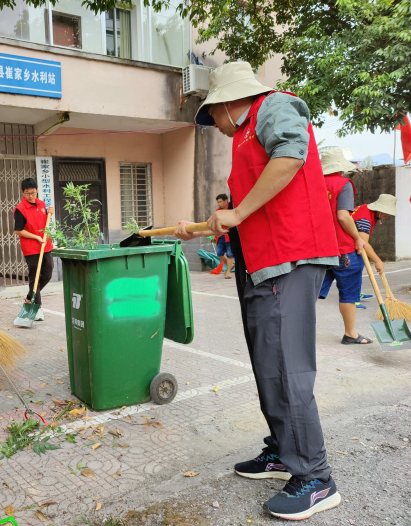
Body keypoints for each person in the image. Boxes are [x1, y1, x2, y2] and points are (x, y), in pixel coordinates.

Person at [173, 62, 342, 520]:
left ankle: (315, 477)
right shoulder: (245, 133)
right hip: (262, 263)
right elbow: (248, 207)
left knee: (287, 369)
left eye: (215, 118)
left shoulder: (274, 108)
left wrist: (239, 211)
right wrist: (214, 223)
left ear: (228, 102)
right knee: (268, 364)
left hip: (291, 255)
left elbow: (291, 155)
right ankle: (282, 452)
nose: (218, 128)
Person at [318, 149, 370, 344]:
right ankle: (351, 333)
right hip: (343, 248)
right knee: (349, 293)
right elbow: (343, 216)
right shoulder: (343, 184)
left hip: (319, 248)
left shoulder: (313, 185)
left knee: (310, 291)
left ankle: (292, 329)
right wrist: (357, 238)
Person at [13, 178, 54, 321]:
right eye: (28, 193)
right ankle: (37, 308)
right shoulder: (20, 210)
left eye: (33, 193)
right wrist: (36, 237)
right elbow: (18, 231)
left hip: (45, 245)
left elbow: (43, 222)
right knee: (34, 278)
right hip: (31, 248)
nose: (31, 196)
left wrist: (50, 213)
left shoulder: (41, 204)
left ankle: (30, 297)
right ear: (22, 193)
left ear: (37, 191)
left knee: (47, 273)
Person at [352, 194, 397, 274]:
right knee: (352, 285)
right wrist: (378, 261)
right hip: (348, 251)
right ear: (380, 209)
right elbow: (363, 242)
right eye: (386, 213)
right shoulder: (365, 219)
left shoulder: (365, 208)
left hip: (337, 249)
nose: (388, 215)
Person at [214, 194, 234, 279]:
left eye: (220, 201)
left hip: (229, 235)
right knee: (219, 253)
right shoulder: (217, 211)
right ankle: (231, 265)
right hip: (220, 236)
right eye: (218, 202)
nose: (219, 203)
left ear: (226, 201)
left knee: (230, 254)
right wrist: (214, 235)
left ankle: (228, 271)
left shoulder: (231, 209)